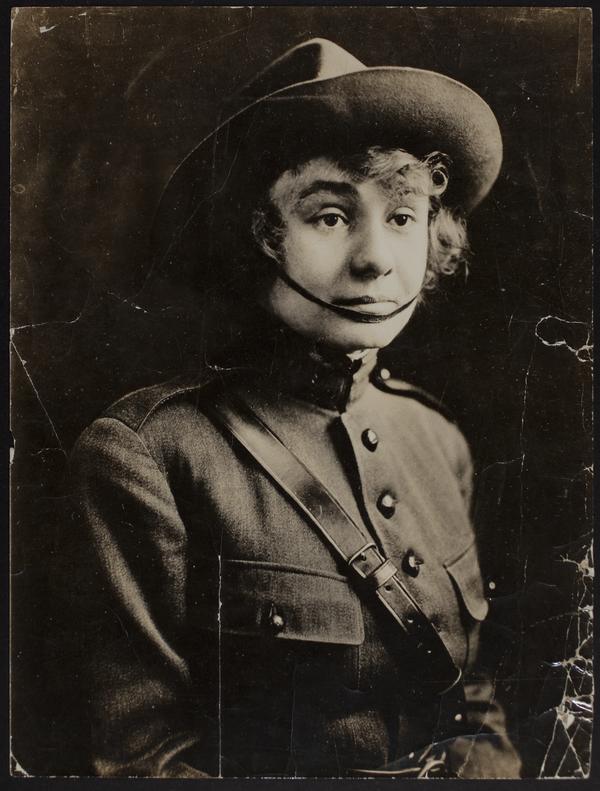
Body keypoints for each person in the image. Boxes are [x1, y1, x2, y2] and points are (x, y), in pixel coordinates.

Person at [65, 38, 522, 778]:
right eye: (331, 217)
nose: (376, 258)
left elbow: (476, 713)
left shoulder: (436, 438)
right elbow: (142, 759)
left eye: (402, 217)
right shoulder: (150, 455)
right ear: (258, 238)